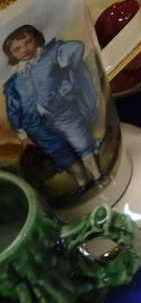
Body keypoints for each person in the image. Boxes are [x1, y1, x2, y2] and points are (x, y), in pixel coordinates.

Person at [3, 24, 103, 189]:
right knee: (60, 154)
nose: (25, 49)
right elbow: (13, 109)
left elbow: (77, 47)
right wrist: (22, 135)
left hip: (62, 111)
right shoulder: (15, 82)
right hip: (35, 125)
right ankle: (83, 182)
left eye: (28, 42)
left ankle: (99, 176)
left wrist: (66, 79)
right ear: (11, 54)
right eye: (17, 49)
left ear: (36, 38)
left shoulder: (51, 54)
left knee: (81, 142)